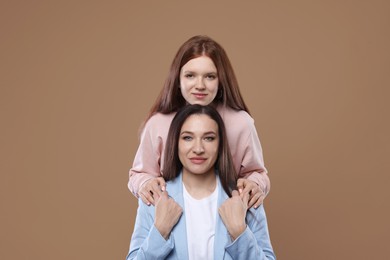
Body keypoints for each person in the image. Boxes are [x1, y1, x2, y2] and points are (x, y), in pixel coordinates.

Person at [128, 35, 270, 209]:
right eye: (190, 75)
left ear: (221, 81)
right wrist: (145, 184)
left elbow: (256, 173)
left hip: (226, 222)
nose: (200, 85)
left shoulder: (241, 123)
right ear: (178, 80)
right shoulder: (158, 123)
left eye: (210, 76)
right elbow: (139, 174)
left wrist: (255, 185)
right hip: (172, 222)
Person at [126, 105, 276, 260]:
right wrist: (160, 231)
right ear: (176, 142)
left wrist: (240, 232)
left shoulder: (245, 197)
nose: (198, 148)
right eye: (188, 138)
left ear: (220, 144)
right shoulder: (155, 197)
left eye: (208, 138)